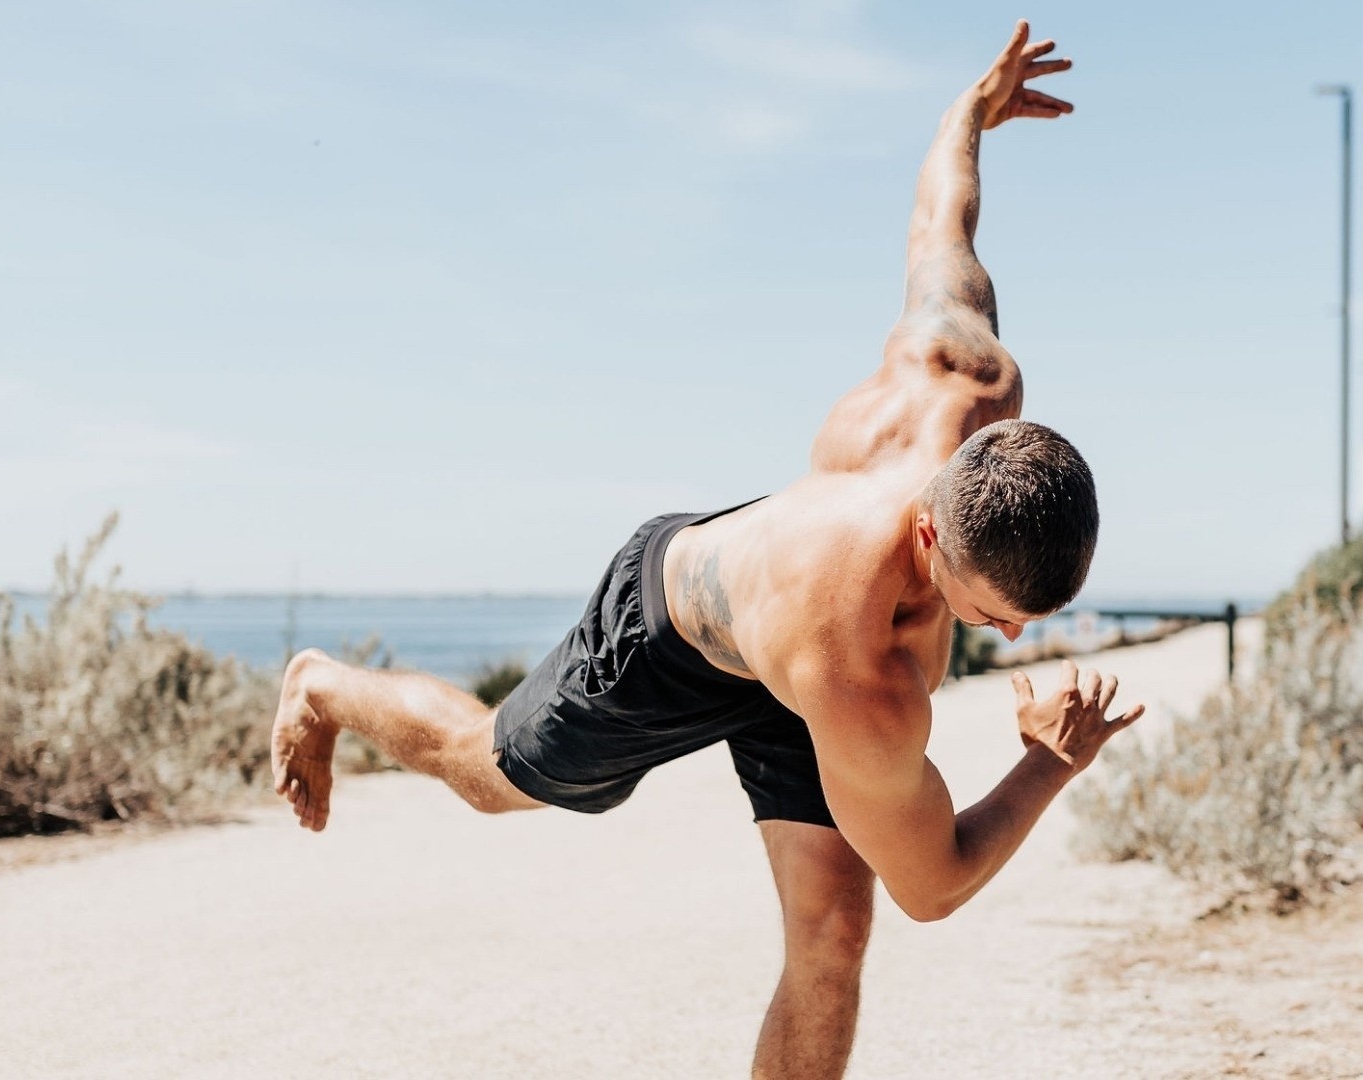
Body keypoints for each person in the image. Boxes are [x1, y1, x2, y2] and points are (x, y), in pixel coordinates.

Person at [270, 20, 1143, 1079]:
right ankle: (322, 685)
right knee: (486, 772)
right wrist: (1050, 761)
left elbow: (939, 224)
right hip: (676, 630)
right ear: (930, 528)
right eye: (993, 613)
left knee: (833, 938)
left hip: (798, 634)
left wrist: (972, 110)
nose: (1005, 637)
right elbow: (935, 882)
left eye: (1027, 621)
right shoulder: (863, 678)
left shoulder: (963, 372)